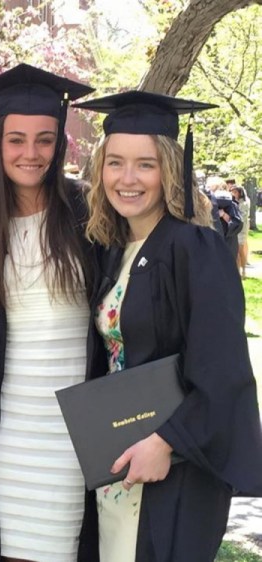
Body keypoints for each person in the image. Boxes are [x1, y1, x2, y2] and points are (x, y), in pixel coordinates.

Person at [75, 90, 262, 561]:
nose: (128, 178)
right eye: (115, 163)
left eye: (145, 164)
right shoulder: (114, 251)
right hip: (119, 462)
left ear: (169, 170)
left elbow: (224, 374)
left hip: (173, 467)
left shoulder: (194, 248)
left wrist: (166, 443)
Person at [0, 64, 96, 562]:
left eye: (44, 140)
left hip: (73, 429)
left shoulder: (89, 215)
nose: (30, 153)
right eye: (16, 140)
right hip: (8, 427)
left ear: (60, 144)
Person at [231, 185, 250, 277]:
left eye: (235, 192)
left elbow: (242, 217)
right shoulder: (233, 202)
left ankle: (244, 270)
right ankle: (238, 271)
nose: (233, 194)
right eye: (232, 192)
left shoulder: (244, 203)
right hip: (235, 229)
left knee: (240, 250)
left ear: (240, 193)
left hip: (242, 229)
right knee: (236, 251)